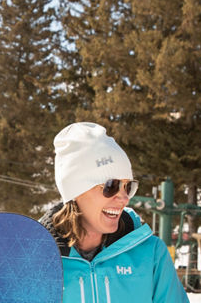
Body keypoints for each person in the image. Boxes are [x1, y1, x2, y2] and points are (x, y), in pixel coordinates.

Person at [40, 122, 190, 303]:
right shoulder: (35, 259)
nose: (124, 198)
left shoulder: (150, 253)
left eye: (128, 186)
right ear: (76, 191)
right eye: (111, 186)